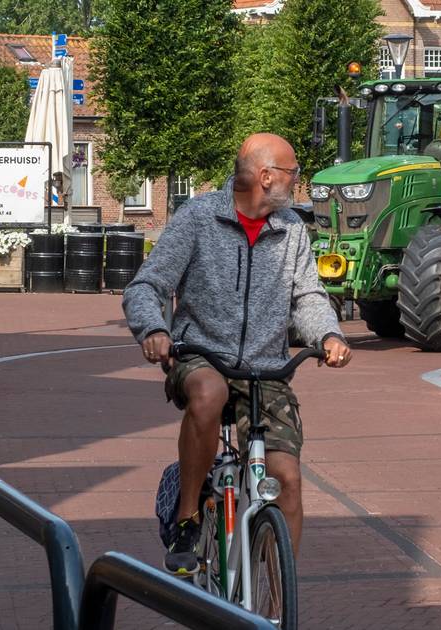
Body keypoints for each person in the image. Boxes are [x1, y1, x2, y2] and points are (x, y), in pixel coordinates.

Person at [123, 133, 351, 575]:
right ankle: (188, 517)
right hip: (199, 354)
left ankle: (277, 597)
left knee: (287, 478)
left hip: (266, 370)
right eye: (293, 173)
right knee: (209, 393)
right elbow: (147, 285)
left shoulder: (291, 230)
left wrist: (328, 335)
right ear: (265, 177)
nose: (297, 182)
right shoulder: (200, 218)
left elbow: (308, 295)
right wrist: (153, 329)